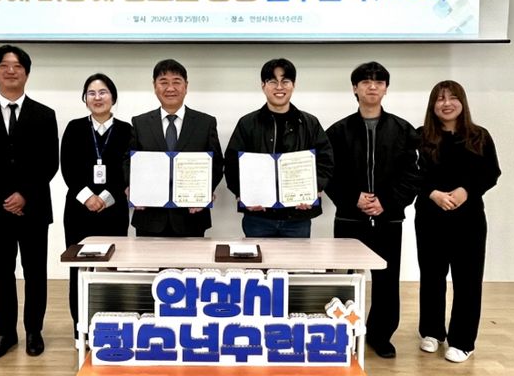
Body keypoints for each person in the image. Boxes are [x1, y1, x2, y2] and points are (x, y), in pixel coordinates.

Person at [0, 45, 59, 360]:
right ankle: (5, 333)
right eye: (4, 65)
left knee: (35, 272)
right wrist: (5, 196)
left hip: (34, 208)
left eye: (17, 65)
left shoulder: (44, 114)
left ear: (27, 73)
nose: (11, 70)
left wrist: (24, 195)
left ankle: (34, 331)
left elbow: (50, 161)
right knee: (2, 272)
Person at [325, 61, 419, 359]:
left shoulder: (404, 130)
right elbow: (328, 173)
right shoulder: (338, 131)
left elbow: (412, 175)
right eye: (366, 81)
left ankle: (380, 335)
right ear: (355, 88)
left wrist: (386, 202)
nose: (372, 86)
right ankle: (342, 332)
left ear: (386, 88)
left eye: (379, 82)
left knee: (386, 280)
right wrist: (353, 198)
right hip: (349, 217)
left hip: (388, 218)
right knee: (344, 277)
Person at [416, 80, 501, 363]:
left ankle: (463, 341)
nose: (446, 104)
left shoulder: (479, 136)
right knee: (431, 277)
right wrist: (433, 193)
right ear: (432, 105)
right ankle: (432, 332)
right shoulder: (420, 136)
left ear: (462, 102)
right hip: (430, 217)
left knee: (468, 280)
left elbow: (491, 172)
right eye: (440, 99)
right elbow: (412, 174)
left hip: (469, 219)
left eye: (453, 98)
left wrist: (466, 190)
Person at [224, 58, 333, 238]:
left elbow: (326, 161)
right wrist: (242, 194)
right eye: (273, 82)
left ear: (293, 85)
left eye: (285, 81)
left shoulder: (309, 123)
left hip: (298, 216)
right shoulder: (247, 123)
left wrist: (314, 189)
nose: (279, 87)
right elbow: (231, 163)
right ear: (263, 86)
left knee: (297, 258)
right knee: (259, 258)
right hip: (258, 216)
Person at [61, 73, 132, 334]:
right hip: (78, 211)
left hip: (114, 210)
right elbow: (67, 167)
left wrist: (105, 198)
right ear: (85, 99)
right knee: (79, 268)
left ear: (113, 97)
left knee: (112, 266)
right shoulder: (74, 128)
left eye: (103, 92)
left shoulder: (127, 130)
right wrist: (88, 197)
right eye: (91, 93)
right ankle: (80, 328)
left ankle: (111, 326)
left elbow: (129, 169)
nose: (97, 97)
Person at [128, 59, 223, 237]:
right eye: (163, 82)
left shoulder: (205, 122)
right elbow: (128, 162)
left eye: (176, 82)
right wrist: (131, 187)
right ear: (154, 86)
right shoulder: (140, 123)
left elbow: (216, 163)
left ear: (186, 86)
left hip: (191, 216)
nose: (170, 88)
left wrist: (206, 190)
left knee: (192, 257)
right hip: (149, 217)